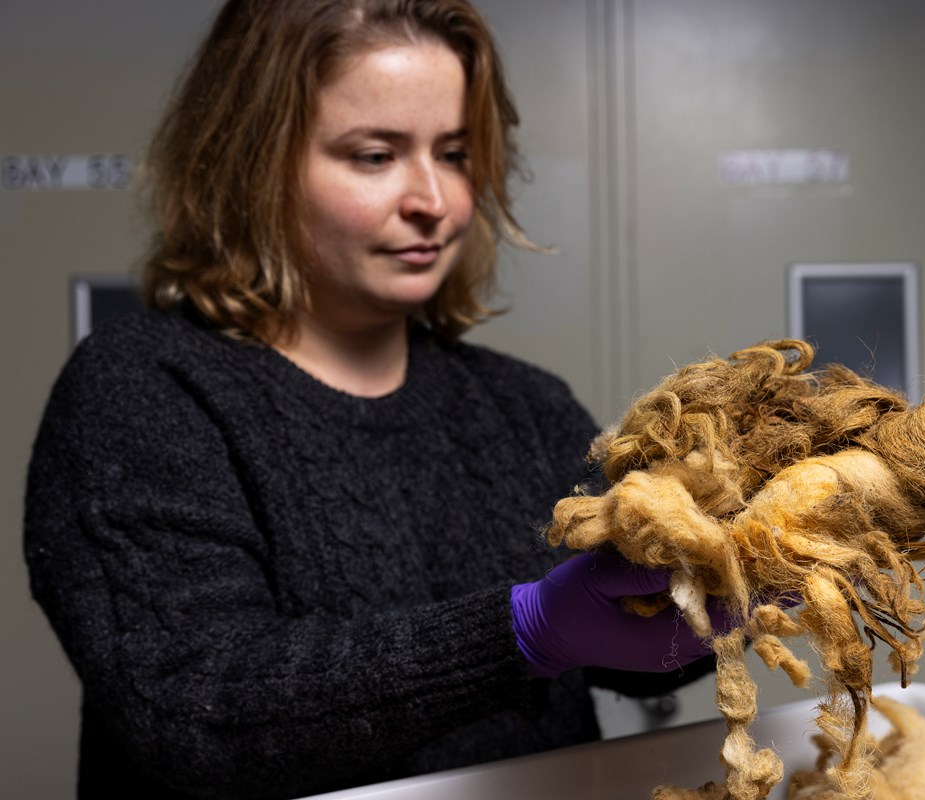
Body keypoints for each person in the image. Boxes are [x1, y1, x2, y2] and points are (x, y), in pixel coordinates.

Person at [22, 1, 724, 798]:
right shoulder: (143, 392)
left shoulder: (521, 404)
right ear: (252, 163)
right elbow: (196, 711)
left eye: (455, 154)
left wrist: (720, 580)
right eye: (375, 155)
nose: (433, 198)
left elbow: (630, 661)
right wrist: (523, 633)